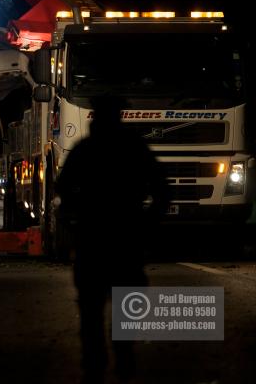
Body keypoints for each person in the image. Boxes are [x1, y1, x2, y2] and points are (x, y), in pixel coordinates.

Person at [55, 96, 169, 383]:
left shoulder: (84, 150)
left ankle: (94, 362)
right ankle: (123, 357)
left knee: (91, 307)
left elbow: (63, 190)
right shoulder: (135, 148)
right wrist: (147, 223)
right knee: (125, 304)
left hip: (92, 240)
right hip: (125, 238)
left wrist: (73, 219)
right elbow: (162, 191)